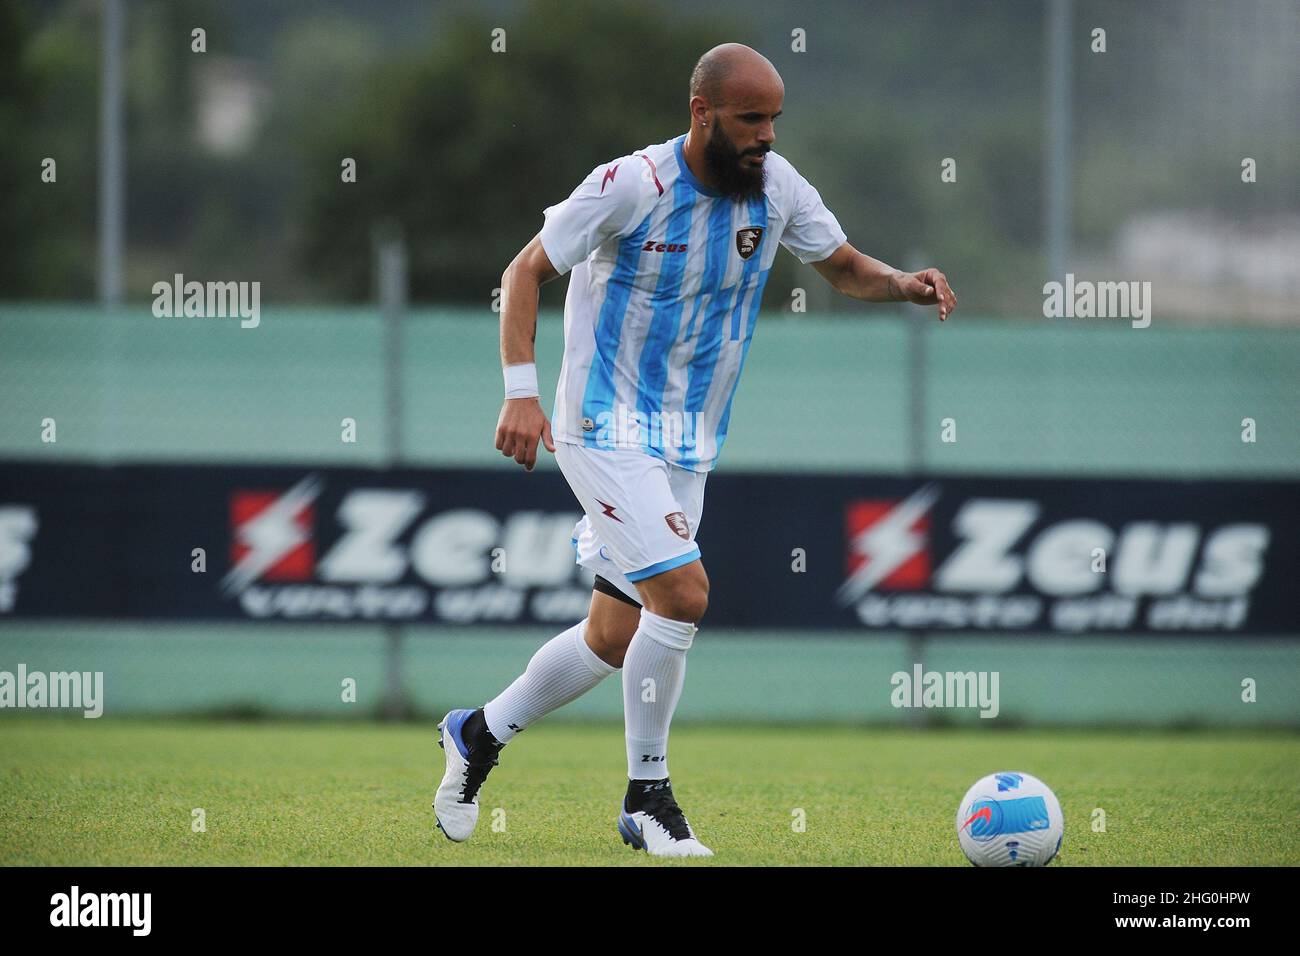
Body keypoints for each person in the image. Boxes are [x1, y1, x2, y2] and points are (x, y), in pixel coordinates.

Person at [435, 42, 955, 857]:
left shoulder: (777, 189)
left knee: (613, 635)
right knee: (682, 595)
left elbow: (844, 267)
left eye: (776, 119)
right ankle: (649, 799)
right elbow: (526, 271)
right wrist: (520, 393)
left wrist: (903, 284)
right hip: (601, 425)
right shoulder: (630, 186)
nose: (767, 136)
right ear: (701, 113)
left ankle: (478, 733)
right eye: (751, 119)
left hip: (688, 440)